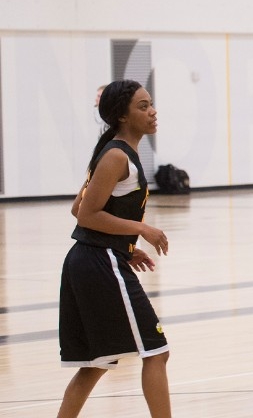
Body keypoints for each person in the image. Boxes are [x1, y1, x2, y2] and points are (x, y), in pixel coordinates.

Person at [58, 80, 171, 418]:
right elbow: (87, 213)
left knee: (95, 364)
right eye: (142, 106)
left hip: (96, 258)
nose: (152, 111)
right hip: (98, 261)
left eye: (151, 103)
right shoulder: (116, 156)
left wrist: (126, 245)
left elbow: (80, 209)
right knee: (156, 350)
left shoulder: (114, 150)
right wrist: (140, 229)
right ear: (122, 115)